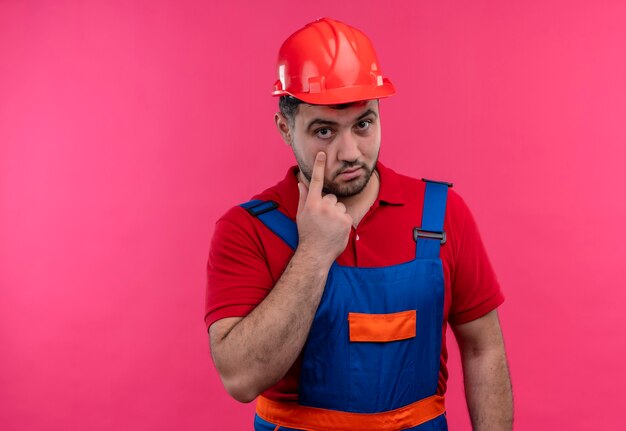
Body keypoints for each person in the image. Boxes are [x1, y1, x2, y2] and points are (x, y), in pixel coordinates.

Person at [205, 17, 513, 431]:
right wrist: (313, 253)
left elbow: (482, 349)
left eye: (363, 124)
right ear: (284, 128)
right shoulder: (246, 230)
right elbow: (241, 379)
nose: (350, 152)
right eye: (324, 131)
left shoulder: (441, 215)